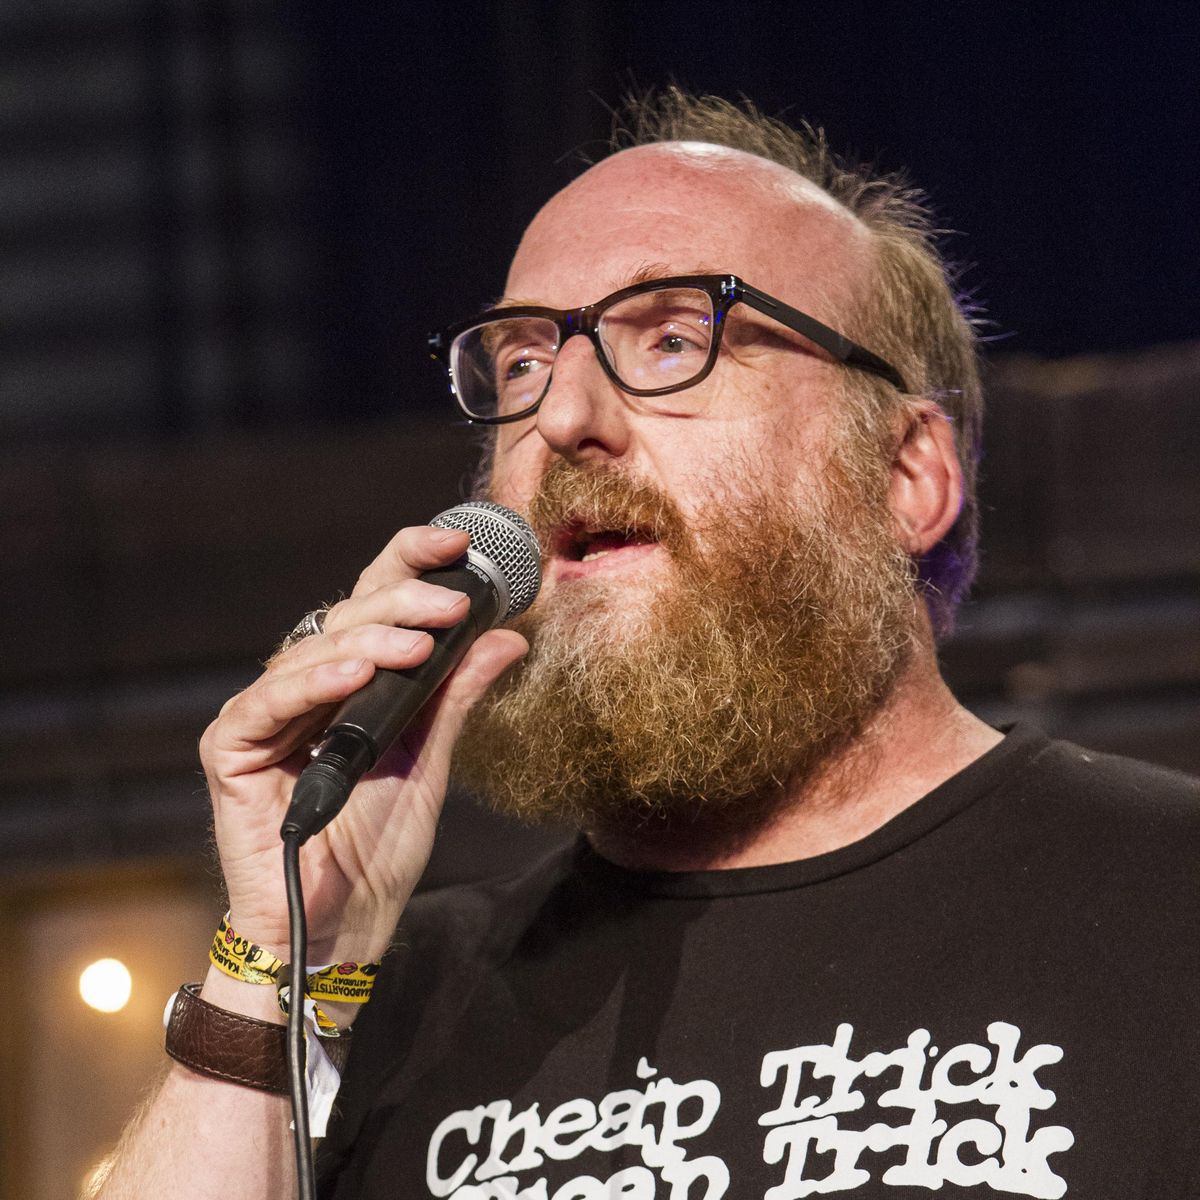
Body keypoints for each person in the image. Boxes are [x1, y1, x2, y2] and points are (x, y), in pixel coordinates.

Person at [95, 90, 1198, 1200]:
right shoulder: (382, 1006)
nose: (563, 418)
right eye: (524, 365)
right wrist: (281, 963)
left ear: (907, 476)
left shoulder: (1166, 899)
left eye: (675, 339)